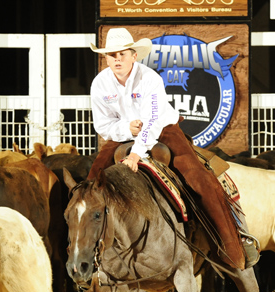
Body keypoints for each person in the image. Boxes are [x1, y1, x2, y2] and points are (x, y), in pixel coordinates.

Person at [87, 27, 258, 270]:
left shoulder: (149, 79)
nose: (117, 59)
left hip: (164, 130)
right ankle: (86, 252)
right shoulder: (100, 84)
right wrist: (127, 128)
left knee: (198, 176)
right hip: (127, 131)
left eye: (122, 54)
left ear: (134, 55)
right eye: (111, 55)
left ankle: (233, 247)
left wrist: (136, 153)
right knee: (92, 181)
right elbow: (104, 126)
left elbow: (154, 120)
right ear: (106, 57)